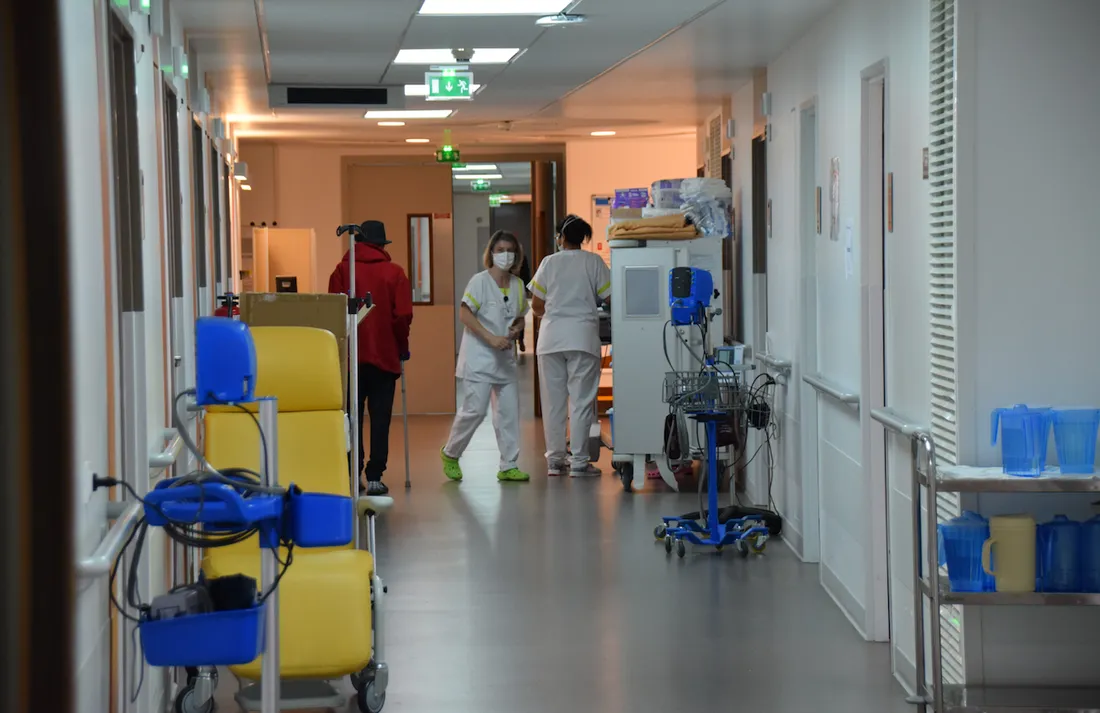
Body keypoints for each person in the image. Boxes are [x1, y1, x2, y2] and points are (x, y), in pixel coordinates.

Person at [328, 220, 413, 496]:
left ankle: (354, 474)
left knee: (352, 417)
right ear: (381, 245)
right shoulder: (395, 273)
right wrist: (402, 346)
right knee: (380, 418)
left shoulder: (343, 271)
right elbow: (402, 316)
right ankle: (375, 475)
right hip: (385, 358)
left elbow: (334, 314)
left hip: (351, 359)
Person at [440, 231, 531, 483]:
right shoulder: (479, 282)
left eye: (509, 250)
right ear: (491, 253)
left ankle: (508, 464)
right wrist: (491, 337)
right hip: (479, 358)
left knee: (509, 414)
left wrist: (516, 328)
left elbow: (521, 315)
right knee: (474, 411)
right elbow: (465, 314)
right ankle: (451, 453)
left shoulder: (518, 285)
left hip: (505, 360)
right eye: (500, 250)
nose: (505, 255)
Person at [528, 215, 611, 477]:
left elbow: (536, 305)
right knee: (581, 402)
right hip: (582, 338)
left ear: (560, 237)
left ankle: (555, 461)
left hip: (551, 339)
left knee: (553, 403)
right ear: (583, 238)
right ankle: (579, 462)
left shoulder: (549, 263)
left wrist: (556, 313)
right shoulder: (594, 262)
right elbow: (611, 298)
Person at [517, 254, 531, 352]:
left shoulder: (521, 255)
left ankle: (520, 340)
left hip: (519, 287)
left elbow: (526, 272)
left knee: (520, 314)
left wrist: (527, 288)